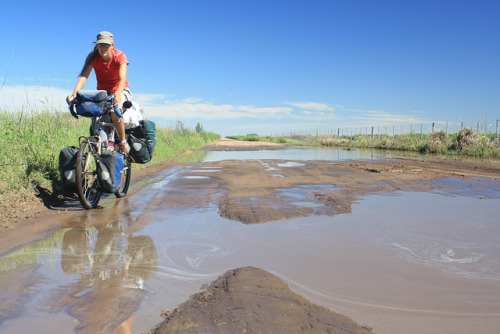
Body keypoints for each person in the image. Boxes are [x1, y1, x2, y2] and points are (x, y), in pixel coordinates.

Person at [66, 31, 131, 153]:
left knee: (114, 109)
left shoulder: (119, 56)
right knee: (94, 113)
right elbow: (83, 77)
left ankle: (122, 142)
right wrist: (74, 95)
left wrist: (118, 94)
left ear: (112, 45)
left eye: (106, 45)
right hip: (103, 93)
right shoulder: (93, 58)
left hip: (120, 89)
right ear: (96, 46)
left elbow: (122, 79)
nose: (103, 48)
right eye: (100, 45)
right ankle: (100, 144)